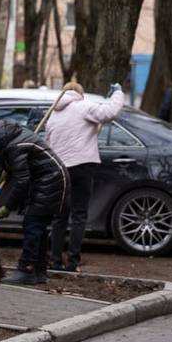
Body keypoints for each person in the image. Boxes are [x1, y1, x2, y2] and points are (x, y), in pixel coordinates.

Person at [0, 116, 68, 286]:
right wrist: (8, 169)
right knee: (36, 226)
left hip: (51, 179)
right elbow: (21, 168)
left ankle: (27, 269)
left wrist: (7, 206)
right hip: (45, 178)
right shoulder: (6, 138)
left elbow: (22, 180)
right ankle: (39, 272)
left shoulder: (14, 146)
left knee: (33, 224)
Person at [43, 80, 126, 272]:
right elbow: (111, 112)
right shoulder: (84, 106)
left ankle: (55, 261)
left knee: (59, 217)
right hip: (82, 166)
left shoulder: (53, 115)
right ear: (81, 93)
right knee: (79, 215)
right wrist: (117, 93)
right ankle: (72, 262)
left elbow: (48, 143)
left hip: (60, 169)